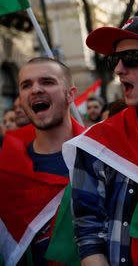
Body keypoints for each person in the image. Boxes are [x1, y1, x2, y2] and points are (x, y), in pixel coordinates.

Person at [63, 16, 138, 265]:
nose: (118, 69)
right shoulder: (97, 144)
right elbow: (88, 234)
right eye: (113, 60)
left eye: (131, 58)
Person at [0, 57, 84, 266]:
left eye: (47, 82)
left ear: (70, 94)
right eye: (26, 85)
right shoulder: (7, 171)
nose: (35, 89)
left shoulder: (101, 159)